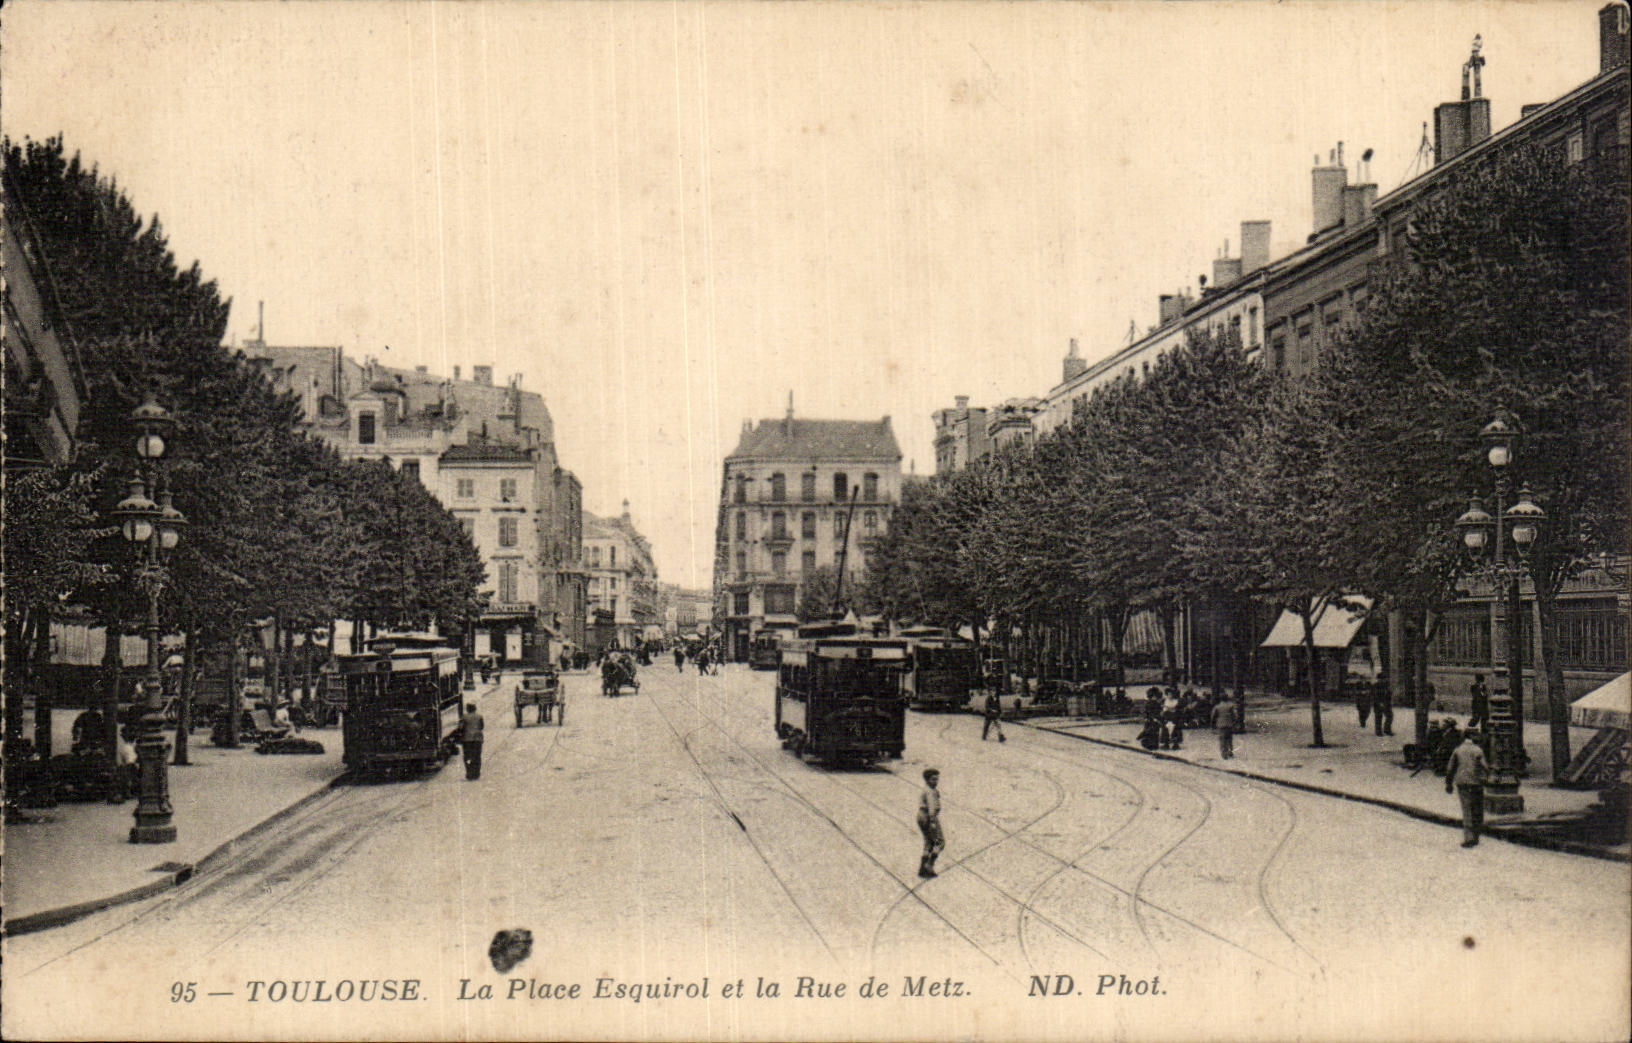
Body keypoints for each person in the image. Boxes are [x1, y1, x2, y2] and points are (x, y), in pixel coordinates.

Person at [1445, 728, 1489, 847]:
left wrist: (1448, 784)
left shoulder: (1458, 750)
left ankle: (1469, 837)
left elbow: (1450, 768)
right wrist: (1486, 778)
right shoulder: (1478, 750)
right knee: (1477, 809)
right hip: (1477, 783)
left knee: (1467, 809)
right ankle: (1476, 835)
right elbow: (1485, 766)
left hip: (1462, 783)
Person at [917, 768, 944, 878]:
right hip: (929, 817)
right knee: (940, 842)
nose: (936, 782)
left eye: (937, 779)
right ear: (927, 780)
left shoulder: (927, 789)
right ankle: (929, 865)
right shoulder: (930, 792)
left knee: (928, 842)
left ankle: (922, 868)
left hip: (921, 816)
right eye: (933, 779)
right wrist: (932, 822)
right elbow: (932, 808)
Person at [459, 702, 485, 780]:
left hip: (467, 740)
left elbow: (460, 728)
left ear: (467, 709)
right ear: (475, 709)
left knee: (467, 757)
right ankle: (476, 773)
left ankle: (469, 772)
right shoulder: (479, 716)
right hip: (477, 739)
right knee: (477, 756)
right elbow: (482, 727)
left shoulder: (464, 717)